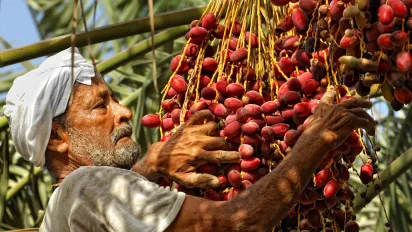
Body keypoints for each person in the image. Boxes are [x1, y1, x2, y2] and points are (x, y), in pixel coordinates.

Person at [4, 48, 376, 232]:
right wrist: (315, 139)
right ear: (57, 137)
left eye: (116, 97)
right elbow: (240, 222)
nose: (125, 111)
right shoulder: (89, 185)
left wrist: (149, 166)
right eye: (101, 105)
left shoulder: (58, 213)